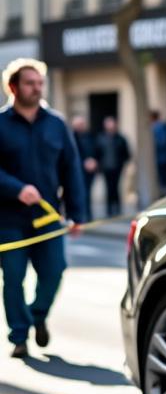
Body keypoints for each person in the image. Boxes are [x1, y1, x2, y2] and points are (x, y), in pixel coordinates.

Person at [0, 59, 88, 358]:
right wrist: (16, 188)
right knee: (13, 278)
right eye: (30, 83)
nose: (37, 89)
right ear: (13, 87)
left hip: (49, 218)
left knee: (54, 272)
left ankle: (38, 315)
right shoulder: (0, 124)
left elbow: (71, 169)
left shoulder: (56, 124)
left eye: (40, 83)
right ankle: (19, 335)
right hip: (8, 220)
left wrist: (78, 215)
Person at [95, 116, 131, 217]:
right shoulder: (101, 138)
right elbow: (97, 153)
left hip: (117, 167)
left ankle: (117, 208)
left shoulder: (121, 139)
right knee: (108, 188)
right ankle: (109, 209)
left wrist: (123, 163)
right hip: (106, 167)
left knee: (116, 188)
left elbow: (127, 153)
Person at [71, 115, 99, 201]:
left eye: (82, 124)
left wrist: (94, 161)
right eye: (78, 124)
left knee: (88, 191)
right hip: (76, 168)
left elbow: (97, 150)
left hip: (90, 169)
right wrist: (83, 162)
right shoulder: (71, 137)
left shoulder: (90, 136)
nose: (80, 126)